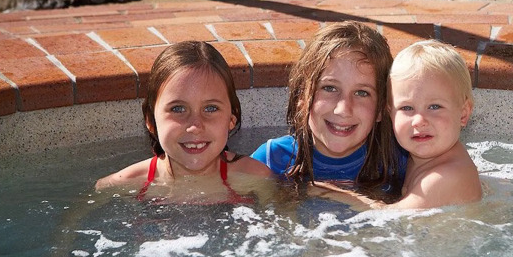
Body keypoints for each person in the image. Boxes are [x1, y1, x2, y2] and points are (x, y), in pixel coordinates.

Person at [96, 41, 273, 203]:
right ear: (151, 122)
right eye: (178, 109)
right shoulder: (122, 184)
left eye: (210, 108)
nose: (195, 126)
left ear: (231, 119)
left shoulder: (257, 178)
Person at [315, 39, 483, 210]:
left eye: (434, 107)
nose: (419, 121)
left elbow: (389, 217)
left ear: (463, 114)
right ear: (390, 113)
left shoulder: (445, 177)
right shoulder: (422, 158)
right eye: (407, 108)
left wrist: (333, 192)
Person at [251, 21, 404, 193]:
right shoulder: (271, 160)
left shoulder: (399, 161)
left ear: (381, 108)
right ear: (302, 97)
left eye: (362, 93)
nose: (343, 109)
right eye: (330, 88)